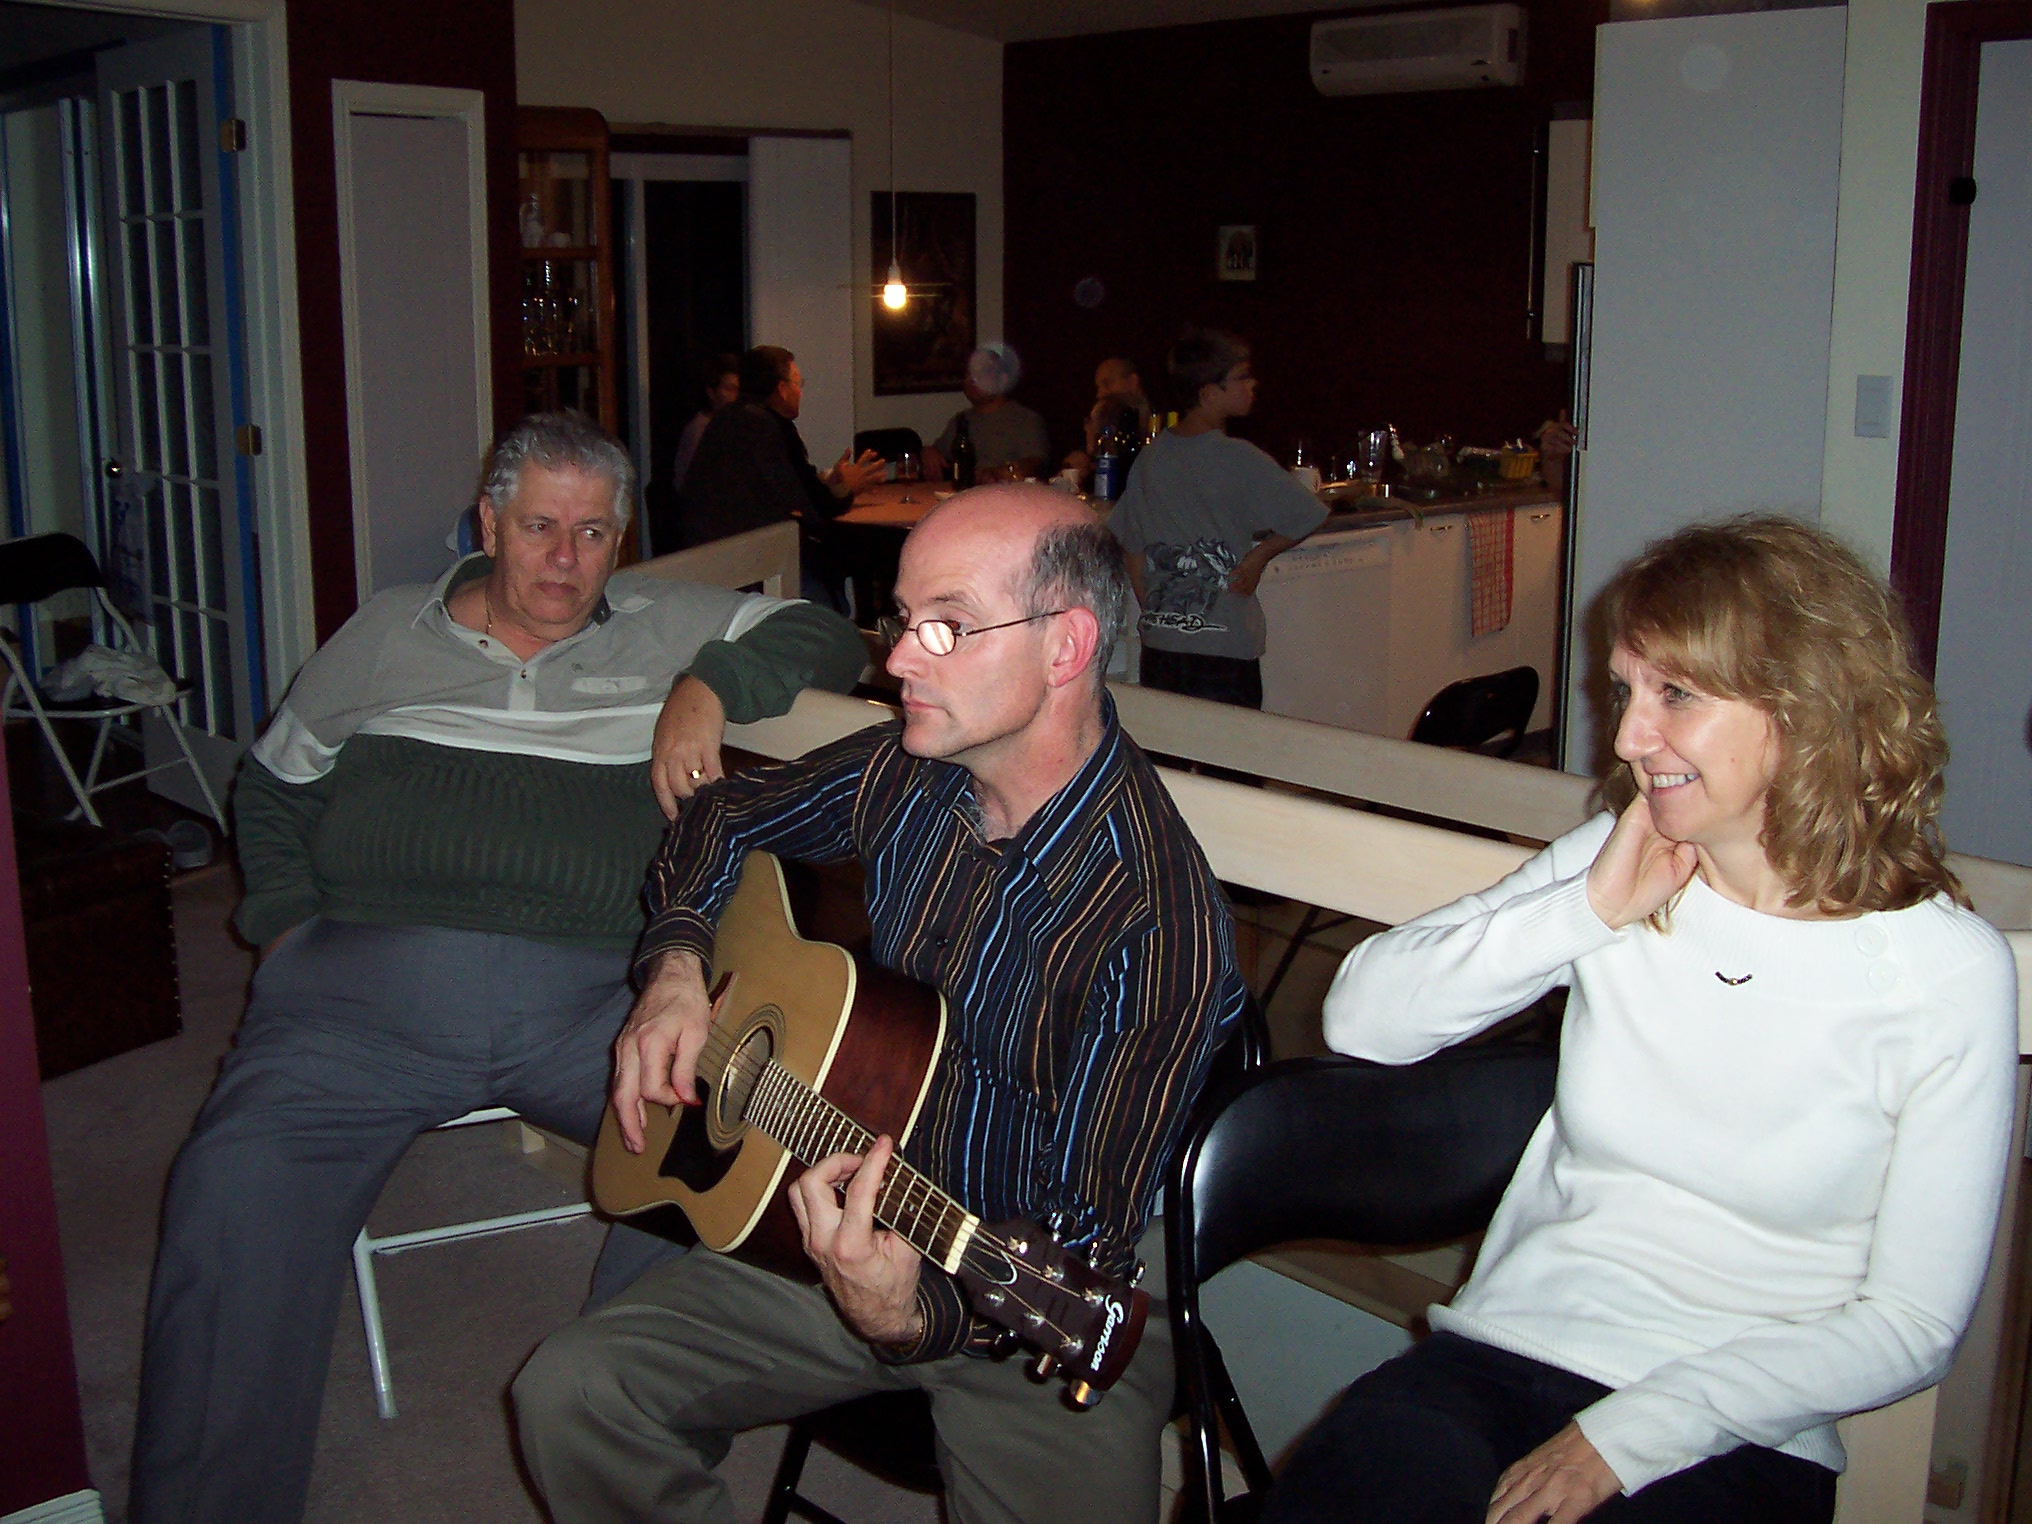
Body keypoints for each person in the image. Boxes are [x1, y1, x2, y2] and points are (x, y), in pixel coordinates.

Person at [129, 414, 868, 1524]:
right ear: (488, 525)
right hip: (354, 1006)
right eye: (537, 528)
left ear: (620, 539)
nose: (564, 559)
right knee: (226, 1205)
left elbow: (829, 633)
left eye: (592, 532)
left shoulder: (667, 624)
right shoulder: (384, 632)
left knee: (746, 1160)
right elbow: (272, 788)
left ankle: (608, 1410)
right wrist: (284, 934)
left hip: (597, 1008)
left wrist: (707, 687)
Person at [513, 484, 1250, 1524]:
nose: (897, 659)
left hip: (1025, 1308)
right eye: (901, 619)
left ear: (1066, 647)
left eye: (946, 625)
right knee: (570, 1395)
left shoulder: (1153, 926)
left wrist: (904, 1316)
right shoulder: (909, 773)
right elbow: (722, 816)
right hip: (828, 1205)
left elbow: (1082, 1240)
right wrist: (676, 967)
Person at [1264, 516, 2019, 1524]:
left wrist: (1631, 1435)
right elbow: (1364, 1019)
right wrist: (1585, 912)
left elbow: (1913, 1324)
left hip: (1742, 1421)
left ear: (1804, 707)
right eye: (1627, 690)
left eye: (1677, 695)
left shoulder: (1941, 973)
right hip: (1509, 1350)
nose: (1626, 737)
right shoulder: (1619, 857)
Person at [1107, 329, 1327, 710]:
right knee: (1231, 746)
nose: (1253, 384)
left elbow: (1132, 546)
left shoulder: (1150, 458)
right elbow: (1310, 513)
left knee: (1171, 745)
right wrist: (1259, 557)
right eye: (1242, 377)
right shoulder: (1239, 457)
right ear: (1209, 393)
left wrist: (1157, 612)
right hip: (1224, 650)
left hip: (1162, 649)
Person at [676, 344, 885, 603]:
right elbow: (815, 508)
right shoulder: (767, 426)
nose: (800, 392)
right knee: (835, 574)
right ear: (782, 389)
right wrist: (847, 489)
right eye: (798, 383)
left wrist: (828, 484)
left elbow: (785, 487)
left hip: (708, 556)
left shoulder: (728, 417)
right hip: (746, 567)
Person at [923, 342, 1052, 482]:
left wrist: (997, 473)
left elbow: (1035, 465)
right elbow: (937, 456)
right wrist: (928, 452)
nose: (972, 379)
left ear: (1003, 380)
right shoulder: (961, 421)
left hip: (1006, 493)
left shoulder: (1025, 419)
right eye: (968, 374)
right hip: (965, 493)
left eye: (982, 373)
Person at [1064, 355, 1153, 481]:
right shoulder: (1100, 423)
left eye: (1107, 383)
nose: (1100, 394)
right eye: (1099, 387)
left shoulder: (1161, 429)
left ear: (1132, 381)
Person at [672, 351, 740, 494]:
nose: (735, 396)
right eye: (729, 389)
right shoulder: (700, 431)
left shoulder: (733, 427)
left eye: (738, 390)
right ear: (711, 392)